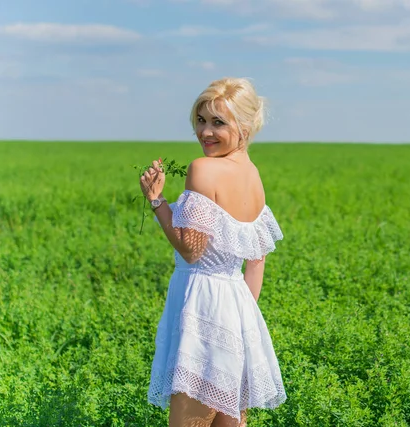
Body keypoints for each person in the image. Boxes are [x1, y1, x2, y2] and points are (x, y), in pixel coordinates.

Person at [139, 77, 287, 427]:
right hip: (238, 307)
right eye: (201, 120)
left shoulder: (203, 169)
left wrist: (157, 201)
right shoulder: (253, 175)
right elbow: (256, 259)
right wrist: (243, 320)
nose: (205, 132)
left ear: (245, 127)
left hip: (202, 305)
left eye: (218, 122)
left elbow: (192, 250)